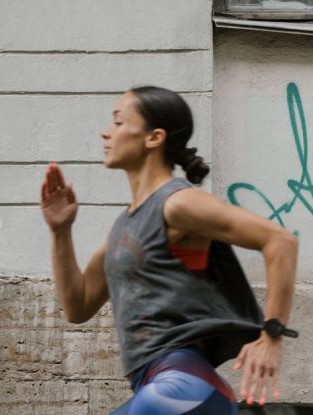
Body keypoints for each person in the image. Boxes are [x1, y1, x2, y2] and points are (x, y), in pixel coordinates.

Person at [40, 86, 298, 414]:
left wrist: (272, 335)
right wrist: (61, 232)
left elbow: (280, 241)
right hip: (166, 386)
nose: (106, 131)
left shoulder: (177, 203)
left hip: (183, 384)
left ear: (154, 137)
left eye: (119, 122)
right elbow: (78, 306)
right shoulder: (126, 224)